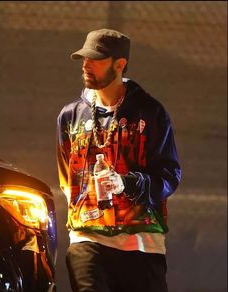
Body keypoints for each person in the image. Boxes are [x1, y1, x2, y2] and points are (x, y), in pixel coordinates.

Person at [56, 28, 181, 292]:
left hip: (141, 242)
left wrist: (126, 183)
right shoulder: (69, 116)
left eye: (95, 59)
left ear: (119, 64)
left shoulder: (151, 112)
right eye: (84, 59)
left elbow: (169, 176)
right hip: (87, 239)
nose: (86, 65)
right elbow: (67, 178)